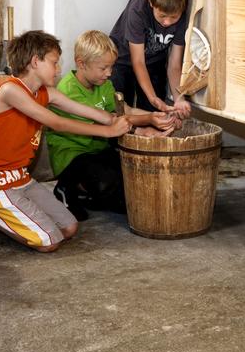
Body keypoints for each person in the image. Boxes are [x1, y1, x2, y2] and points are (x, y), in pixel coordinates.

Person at [0, 30, 131, 252]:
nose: (59, 69)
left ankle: (1, 213)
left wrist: (132, 120)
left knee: (69, 228)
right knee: (49, 242)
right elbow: (57, 122)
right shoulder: (10, 90)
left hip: (21, 180)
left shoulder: (46, 93)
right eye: (54, 63)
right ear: (35, 62)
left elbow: (92, 113)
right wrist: (108, 132)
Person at [46, 30, 177, 220]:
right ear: (81, 63)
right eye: (103, 68)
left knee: (131, 181)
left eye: (111, 67)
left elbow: (126, 111)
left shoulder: (104, 84)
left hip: (99, 149)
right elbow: (108, 120)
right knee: (109, 187)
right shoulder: (68, 90)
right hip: (73, 155)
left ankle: (91, 193)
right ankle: (66, 187)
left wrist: (159, 116)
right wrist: (146, 123)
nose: (109, 73)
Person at [109, 0, 193, 118]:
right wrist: (152, 97)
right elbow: (138, 62)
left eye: (174, 17)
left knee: (154, 111)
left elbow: (174, 64)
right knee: (121, 110)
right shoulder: (138, 8)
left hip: (154, 62)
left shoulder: (182, 16)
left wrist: (179, 99)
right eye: (162, 15)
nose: (167, 22)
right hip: (122, 60)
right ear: (151, 3)